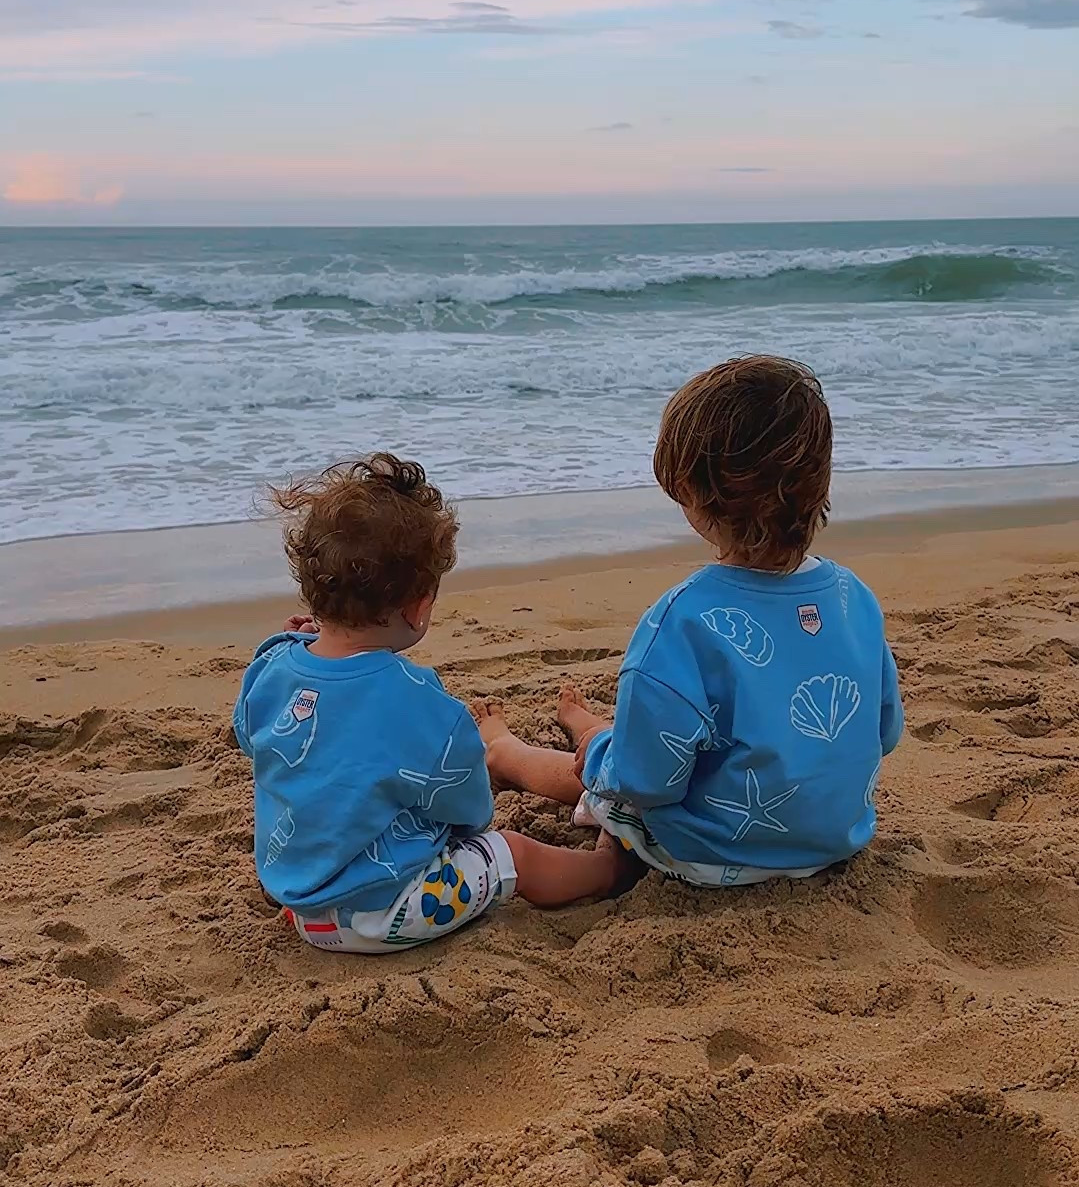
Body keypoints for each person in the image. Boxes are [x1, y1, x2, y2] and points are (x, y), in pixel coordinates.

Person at [474, 356, 904, 888]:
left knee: (599, 773)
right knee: (632, 743)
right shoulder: (851, 598)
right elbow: (885, 733)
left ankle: (506, 751)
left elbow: (646, 784)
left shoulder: (682, 623)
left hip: (718, 853)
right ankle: (587, 726)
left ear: (697, 497)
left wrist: (604, 761)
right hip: (831, 841)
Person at [233, 454, 624, 953]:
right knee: (513, 853)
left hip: (298, 900)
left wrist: (291, 649)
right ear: (418, 607)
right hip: (385, 913)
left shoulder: (271, 668)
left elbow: (251, 735)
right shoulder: (418, 701)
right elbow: (471, 810)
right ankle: (605, 870)